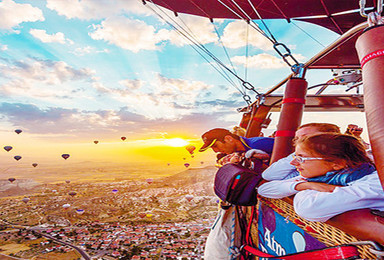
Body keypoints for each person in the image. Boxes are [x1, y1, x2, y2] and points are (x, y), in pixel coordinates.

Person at [258, 133, 384, 222]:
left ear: (338, 164)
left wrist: (303, 190)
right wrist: (306, 185)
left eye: (301, 158)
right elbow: (264, 189)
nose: (293, 163)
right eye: (295, 157)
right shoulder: (323, 176)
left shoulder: (375, 184)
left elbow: (308, 207)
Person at [262, 123, 340, 181]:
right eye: (297, 138)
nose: (299, 141)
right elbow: (268, 175)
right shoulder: (298, 158)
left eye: (305, 137)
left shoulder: (330, 161)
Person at [199, 128, 274, 159]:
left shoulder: (258, 144)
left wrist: (268, 157)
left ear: (229, 139)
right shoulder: (241, 152)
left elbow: (285, 156)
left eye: (215, 146)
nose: (215, 151)